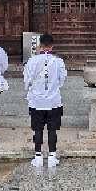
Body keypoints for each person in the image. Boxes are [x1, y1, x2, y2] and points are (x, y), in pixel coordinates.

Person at [24, 33, 67, 175]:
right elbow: (62, 80)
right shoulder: (58, 61)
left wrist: (33, 89)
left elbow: (27, 80)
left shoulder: (32, 61)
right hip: (53, 100)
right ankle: (52, 156)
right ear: (52, 45)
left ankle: (38, 156)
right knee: (52, 129)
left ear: (40, 45)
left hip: (36, 100)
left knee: (37, 129)